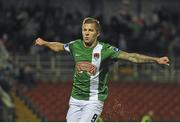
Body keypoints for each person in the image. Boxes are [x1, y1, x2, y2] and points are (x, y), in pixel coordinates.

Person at [35, 17, 170, 122]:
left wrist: (155, 60)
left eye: (90, 30)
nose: (86, 33)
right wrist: (45, 43)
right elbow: (59, 46)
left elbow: (131, 57)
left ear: (97, 33)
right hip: (75, 99)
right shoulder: (75, 45)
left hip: (94, 100)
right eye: (84, 30)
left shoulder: (106, 50)